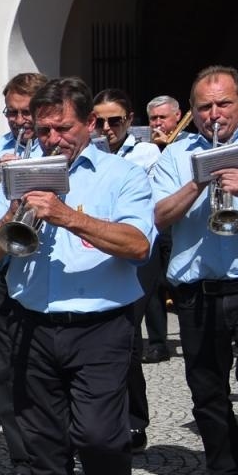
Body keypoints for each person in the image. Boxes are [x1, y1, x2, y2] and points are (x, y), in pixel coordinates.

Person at [0, 78, 155, 475]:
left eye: (64, 128)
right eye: (44, 128)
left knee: (100, 436)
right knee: (45, 445)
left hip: (100, 325)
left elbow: (138, 244)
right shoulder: (17, 174)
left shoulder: (122, 175)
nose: (53, 139)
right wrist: (12, 214)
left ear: (89, 125)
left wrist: (68, 216)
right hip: (30, 323)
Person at [150, 67, 238, 475]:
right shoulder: (176, 155)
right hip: (196, 290)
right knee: (207, 390)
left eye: (223, 104)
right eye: (205, 107)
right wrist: (198, 180)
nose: (215, 115)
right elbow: (157, 216)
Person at [0, 73, 47, 475]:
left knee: (39, 366)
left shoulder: (56, 150)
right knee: (0, 369)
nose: (19, 121)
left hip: (36, 269)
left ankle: (58, 451)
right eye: (12, 112)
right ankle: (22, 458)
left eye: (27, 112)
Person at [91, 88, 155, 450]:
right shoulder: (90, 152)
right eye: (98, 121)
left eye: (114, 121)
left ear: (129, 121)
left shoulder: (145, 153)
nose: (106, 127)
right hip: (96, 244)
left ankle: (134, 419)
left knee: (129, 339)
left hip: (133, 243)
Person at [141, 95, 183, 362]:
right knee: (154, 283)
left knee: (178, 280)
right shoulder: (143, 147)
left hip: (180, 222)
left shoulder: (188, 143)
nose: (158, 123)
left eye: (163, 117)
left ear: (177, 117)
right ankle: (157, 342)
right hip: (156, 222)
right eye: (153, 118)